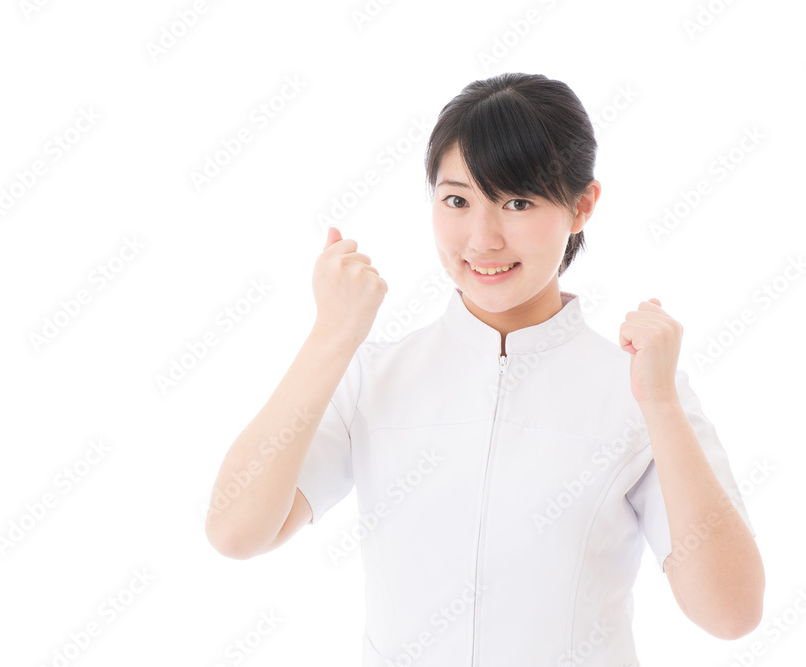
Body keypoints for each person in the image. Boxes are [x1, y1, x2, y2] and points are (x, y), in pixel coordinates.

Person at [204, 72, 764, 666]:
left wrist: (660, 406)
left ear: (582, 206)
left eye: (518, 202)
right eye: (457, 200)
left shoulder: (642, 391)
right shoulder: (373, 376)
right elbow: (236, 532)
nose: (482, 238)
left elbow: (730, 613)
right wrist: (330, 335)